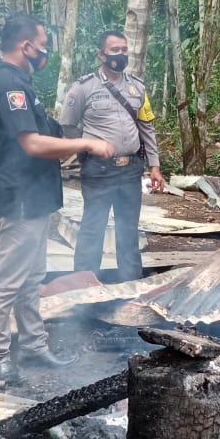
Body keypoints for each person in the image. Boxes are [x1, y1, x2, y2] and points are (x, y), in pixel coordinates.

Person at [0, 13, 115, 380]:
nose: (45, 52)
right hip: (20, 199)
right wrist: (86, 142)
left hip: (36, 198)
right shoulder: (9, 86)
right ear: (26, 46)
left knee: (31, 277)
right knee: (7, 281)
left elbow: (47, 132)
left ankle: (34, 346)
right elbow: (33, 143)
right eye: (42, 45)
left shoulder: (22, 83)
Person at [59, 31, 165, 281]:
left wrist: (155, 165)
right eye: (114, 49)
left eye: (124, 49)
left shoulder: (137, 87)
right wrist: (86, 147)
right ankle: (83, 289)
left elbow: (146, 127)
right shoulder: (83, 88)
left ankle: (131, 286)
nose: (120, 54)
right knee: (92, 230)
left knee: (128, 231)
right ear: (102, 54)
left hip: (130, 171)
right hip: (98, 171)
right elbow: (68, 125)